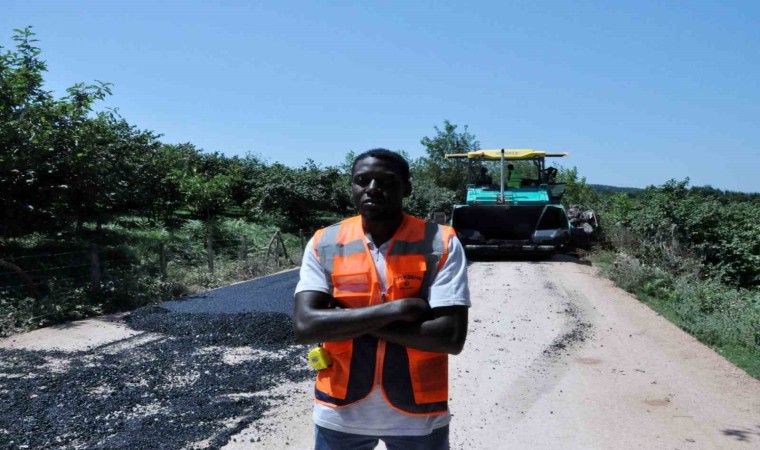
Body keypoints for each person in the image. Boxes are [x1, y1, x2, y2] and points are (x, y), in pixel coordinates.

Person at [293, 148, 470, 450]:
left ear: (407, 188)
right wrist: (398, 309)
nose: (372, 189)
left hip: (419, 416)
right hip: (339, 412)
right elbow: (306, 326)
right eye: (362, 180)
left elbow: (449, 337)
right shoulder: (325, 242)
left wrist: (342, 317)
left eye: (386, 181)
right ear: (352, 186)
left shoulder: (441, 243)